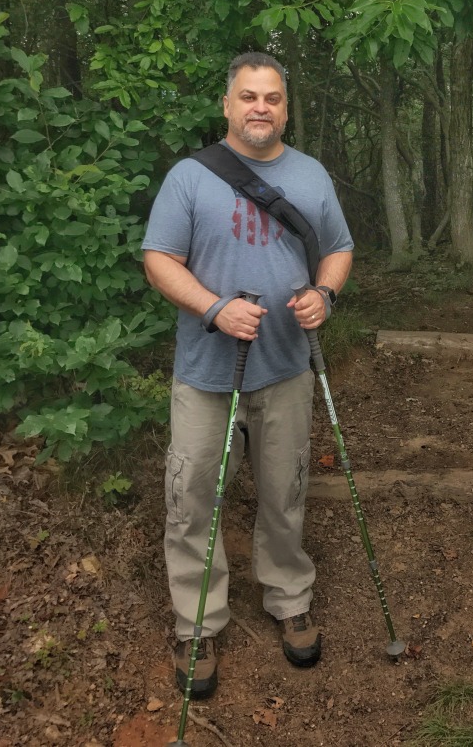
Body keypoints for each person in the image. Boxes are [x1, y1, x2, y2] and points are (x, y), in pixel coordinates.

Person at [142, 52, 353, 699]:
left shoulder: (311, 175)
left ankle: (290, 597)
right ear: (227, 105)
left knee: (285, 490)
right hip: (206, 372)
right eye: (248, 96)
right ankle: (197, 622)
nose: (260, 106)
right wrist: (212, 306)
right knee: (193, 495)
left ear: (285, 108)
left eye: (271, 97)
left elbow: (340, 248)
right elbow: (159, 258)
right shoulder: (189, 178)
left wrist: (325, 292)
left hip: (287, 366)